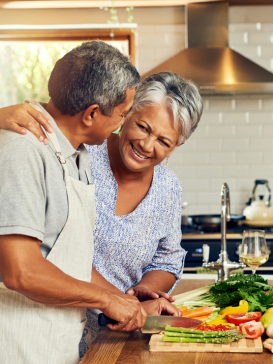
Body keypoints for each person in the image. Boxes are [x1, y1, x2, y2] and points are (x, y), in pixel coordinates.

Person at [0, 71, 203, 357]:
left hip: (122, 332)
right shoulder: (80, 154)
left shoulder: (168, 188)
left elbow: (167, 258)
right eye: (143, 127)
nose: (147, 145)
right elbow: (57, 253)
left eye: (163, 141)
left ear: (177, 146)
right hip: (48, 325)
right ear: (126, 115)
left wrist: (139, 295)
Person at [0, 40, 151, 364]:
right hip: (19, 345)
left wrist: (124, 300)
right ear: (92, 114)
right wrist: (106, 301)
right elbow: (21, 271)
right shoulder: (22, 151)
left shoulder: (75, 153)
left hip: (55, 341)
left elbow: (69, 263)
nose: (122, 125)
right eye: (122, 115)